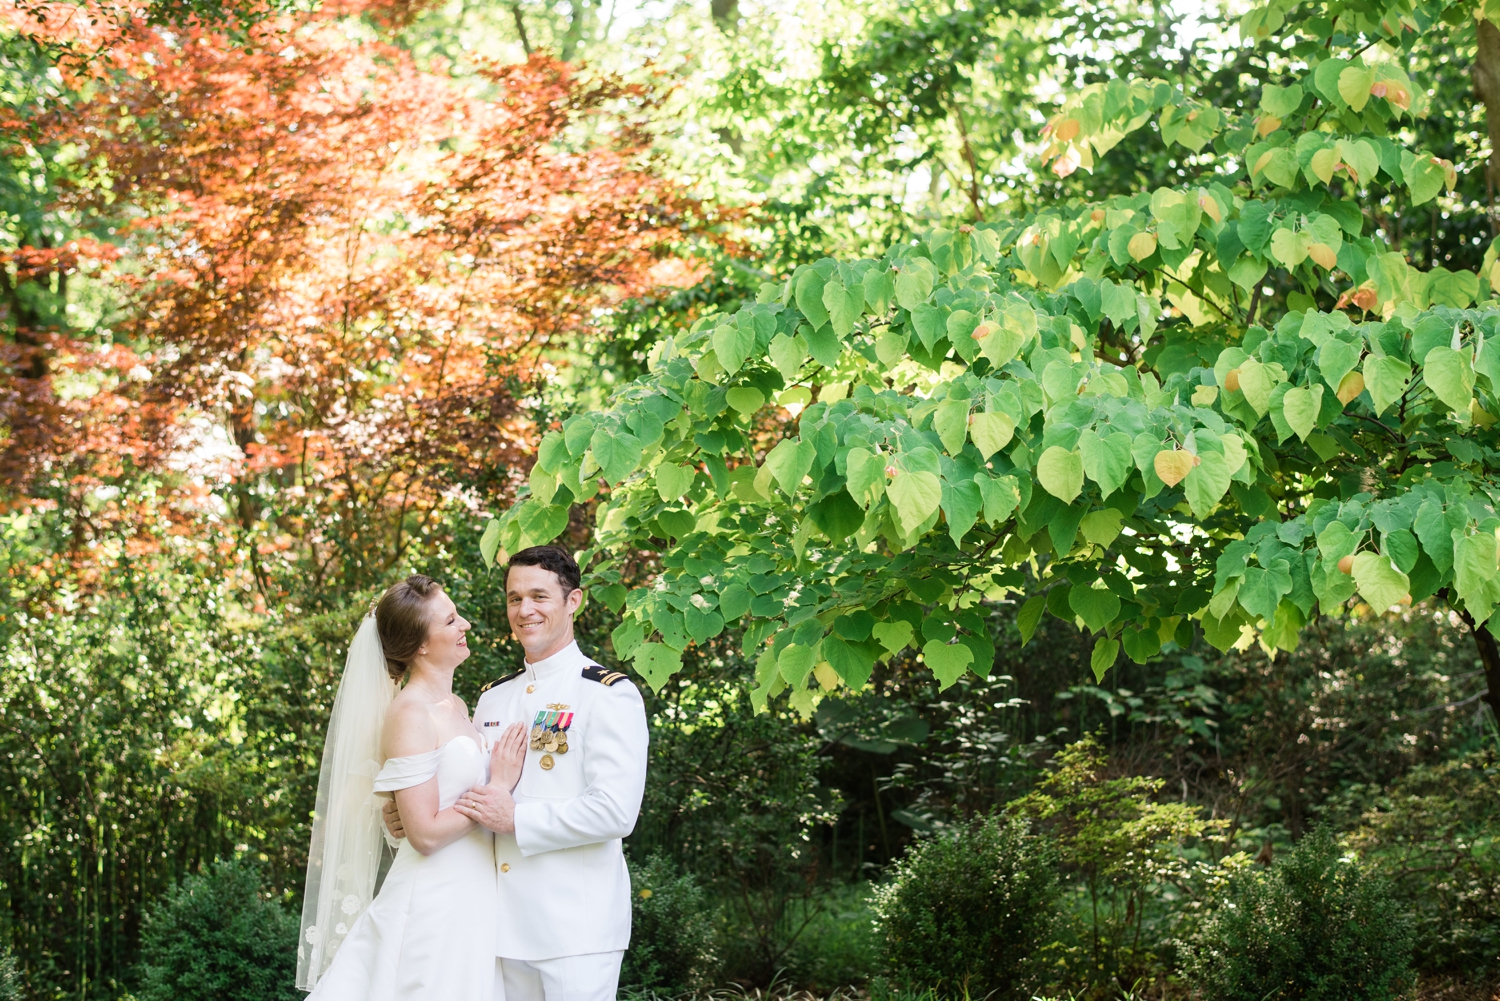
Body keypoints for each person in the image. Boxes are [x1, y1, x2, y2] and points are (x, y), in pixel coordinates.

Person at [383, 545, 649, 1001]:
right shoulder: (492, 700)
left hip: (573, 932)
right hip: (495, 928)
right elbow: (472, 790)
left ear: (573, 601)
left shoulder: (607, 696)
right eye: (514, 598)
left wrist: (516, 820)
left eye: (540, 597)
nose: (525, 610)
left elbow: (615, 813)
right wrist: (410, 814)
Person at [297, 574, 528, 1000]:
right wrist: (496, 788)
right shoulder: (409, 712)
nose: (465, 627)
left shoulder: (458, 706)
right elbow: (423, 834)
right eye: (451, 621)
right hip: (432, 899)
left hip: (471, 894)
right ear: (421, 645)